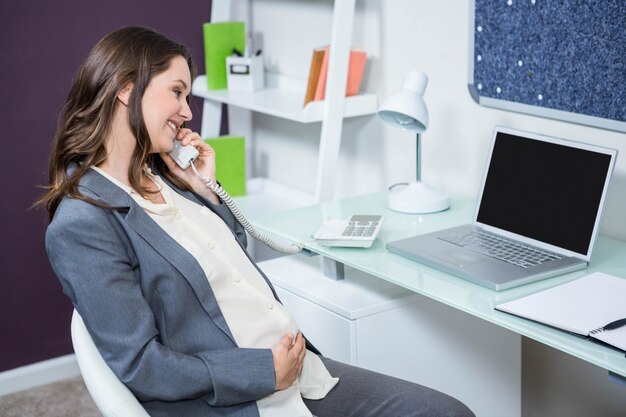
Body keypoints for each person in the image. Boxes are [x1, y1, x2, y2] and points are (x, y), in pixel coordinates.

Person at [40, 26, 474, 417]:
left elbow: (227, 265)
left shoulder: (161, 178)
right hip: (241, 394)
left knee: (447, 412)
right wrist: (264, 371)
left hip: (298, 372)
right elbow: (142, 366)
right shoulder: (83, 222)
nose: (187, 111)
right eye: (176, 92)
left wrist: (204, 188)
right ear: (126, 89)